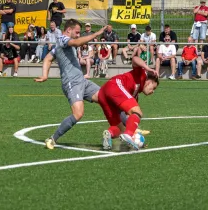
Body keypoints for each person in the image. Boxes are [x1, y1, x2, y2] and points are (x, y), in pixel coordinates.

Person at [35, 19, 107, 150]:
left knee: (106, 98)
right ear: (69, 30)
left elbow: (48, 58)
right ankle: (52, 139)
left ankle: (130, 130)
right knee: (78, 114)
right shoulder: (63, 39)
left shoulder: (59, 45)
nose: (79, 35)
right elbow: (77, 42)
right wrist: (96, 34)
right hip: (71, 83)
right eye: (77, 32)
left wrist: (45, 75)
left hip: (82, 81)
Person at [99, 47, 159, 150]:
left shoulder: (135, 94)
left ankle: (109, 134)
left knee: (119, 129)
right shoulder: (142, 74)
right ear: (149, 82)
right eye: (153, 88)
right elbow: (135, 58)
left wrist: (132, 129)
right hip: (114, 85)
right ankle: (128, 135)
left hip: (103, 94)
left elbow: (128, 117)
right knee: (138, 112)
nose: (152, 92)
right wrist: (147, 68)